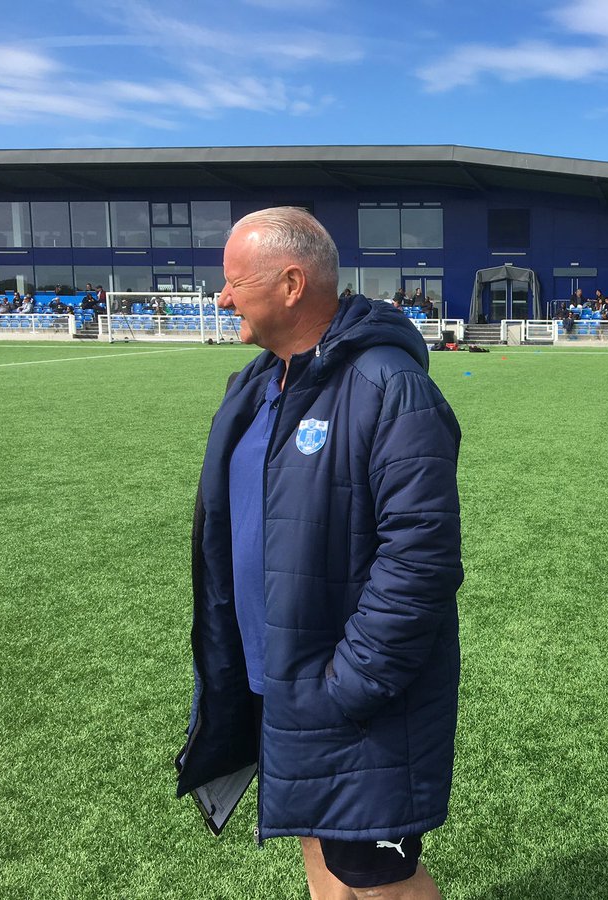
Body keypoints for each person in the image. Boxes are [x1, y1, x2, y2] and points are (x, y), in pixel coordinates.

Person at [175, 207, 463, 900]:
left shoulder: (388, 385)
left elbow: (420, 557)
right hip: (276, 683)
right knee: (322, 856)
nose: (222, 297)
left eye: (233, 281)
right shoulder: (253, 386)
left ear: (292, 283)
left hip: (351, 698)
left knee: (376, 880)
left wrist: (350, 681)